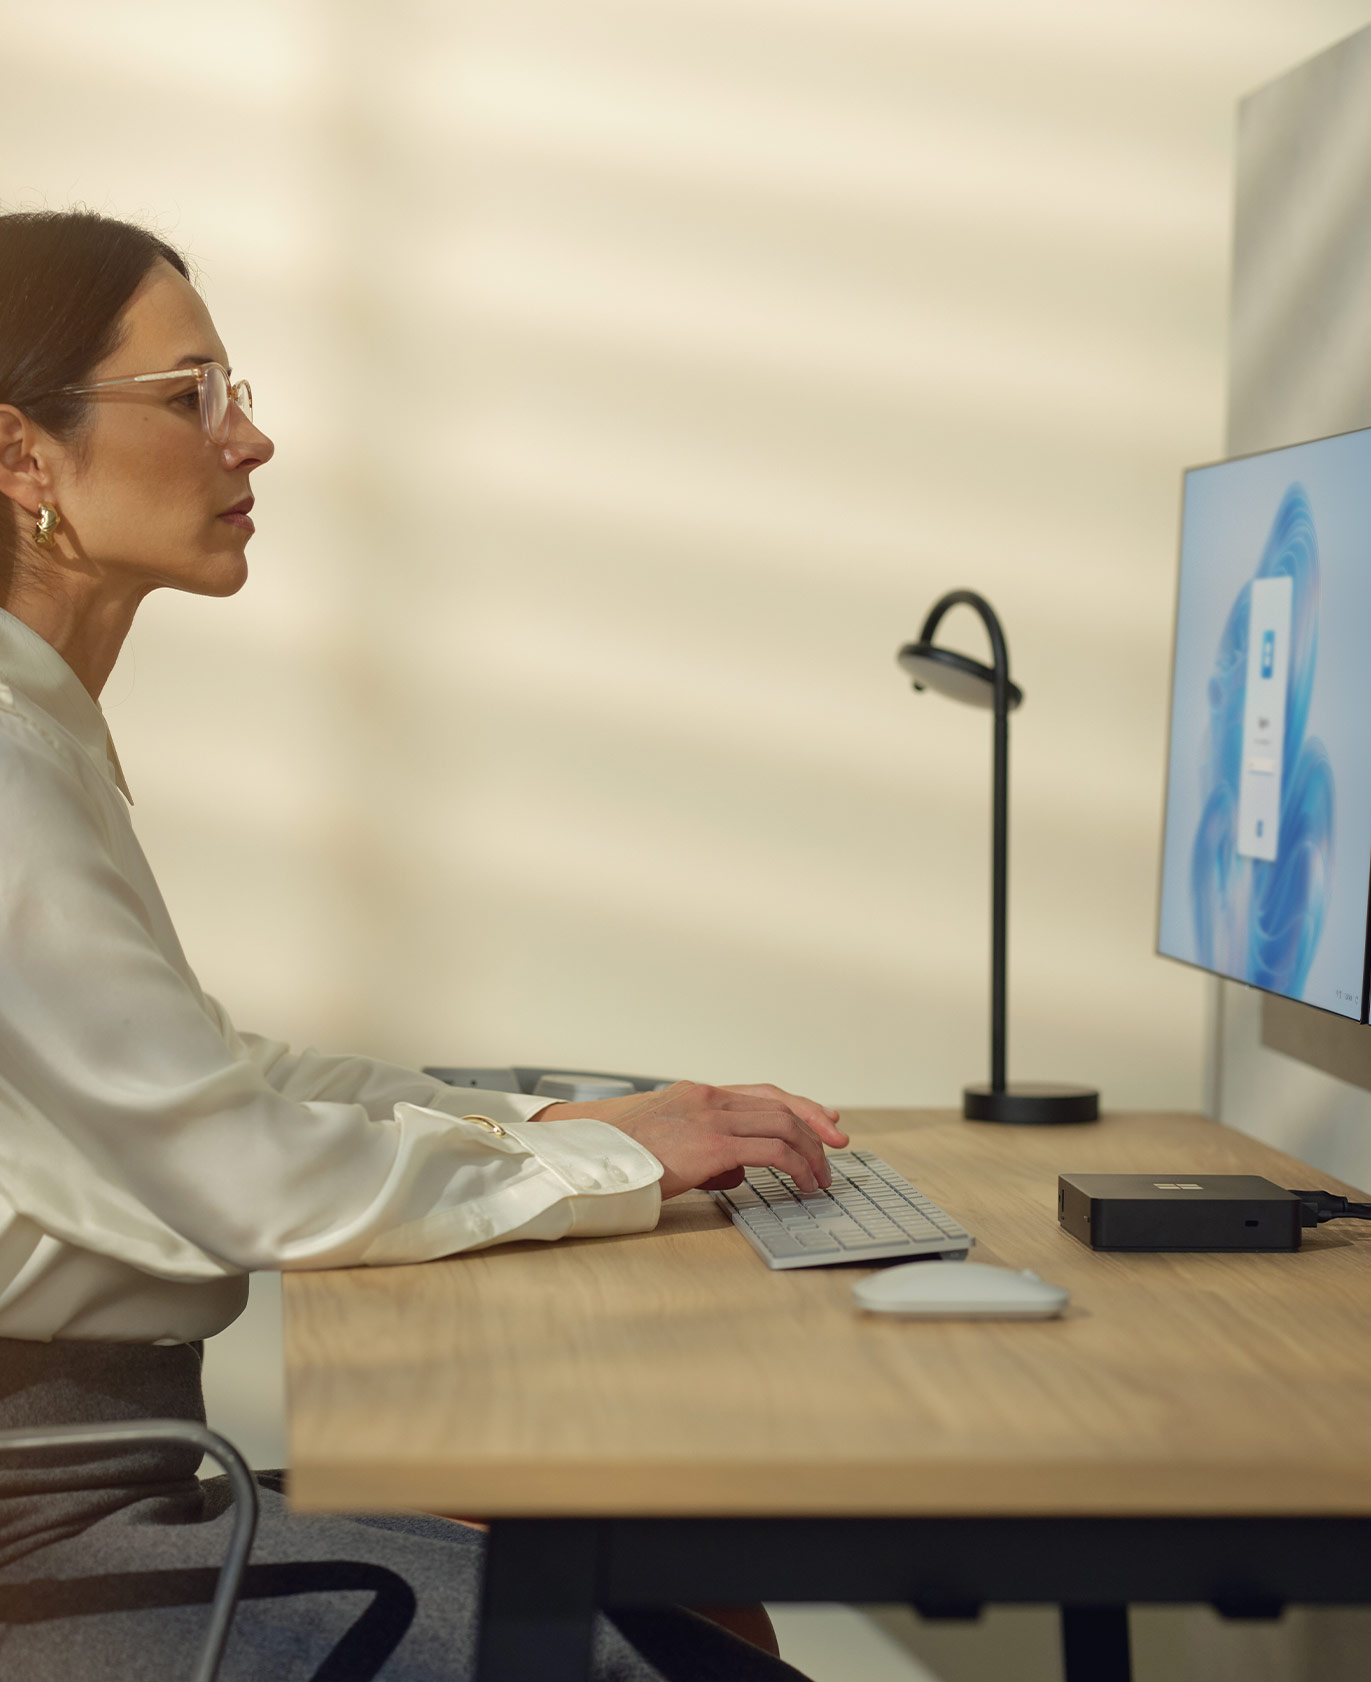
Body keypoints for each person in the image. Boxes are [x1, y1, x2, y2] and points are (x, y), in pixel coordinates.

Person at [0, 209, 848, 1681]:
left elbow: (212, 1071)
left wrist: (546, 1121)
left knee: (694, 1602)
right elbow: (236, 1170)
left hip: (119, 1476)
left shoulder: (42, 731)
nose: (247, 439)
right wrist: (618, 1163)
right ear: (24, 462)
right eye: (191, 395)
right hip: (51, 1545)